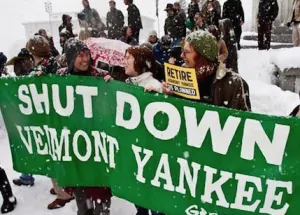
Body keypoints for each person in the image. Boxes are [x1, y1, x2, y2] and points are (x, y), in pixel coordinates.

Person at [57, 38, 112, 215]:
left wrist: (112, 85)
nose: (85, 59)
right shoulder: (60, 77)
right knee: (82, 198)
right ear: (71, 58)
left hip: (97, 146)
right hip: (75, 146)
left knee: (100, 196)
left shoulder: (100, 76)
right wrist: (39, 74)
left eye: (87, 54)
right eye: (80, 56)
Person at [163, 30, 251, 111]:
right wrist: (169, 95)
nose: (182, 55)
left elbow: (246, 122)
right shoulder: (181, 76)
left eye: (187, 52)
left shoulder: (234, 84)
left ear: (202, 57)